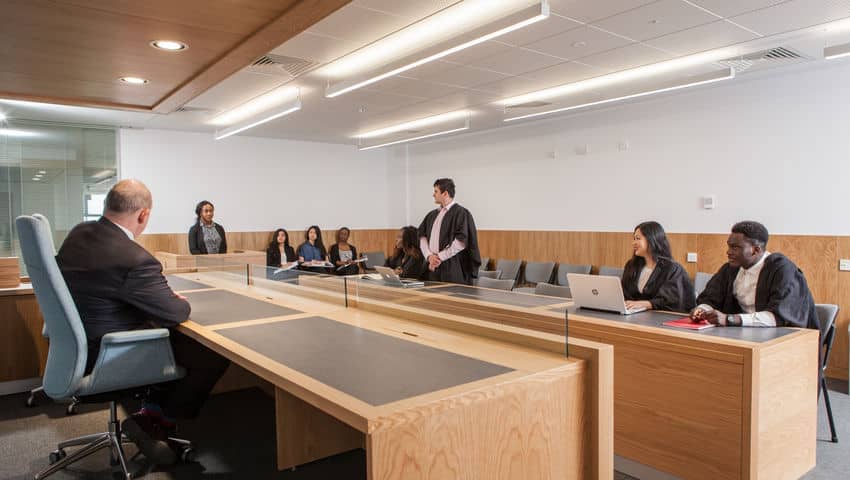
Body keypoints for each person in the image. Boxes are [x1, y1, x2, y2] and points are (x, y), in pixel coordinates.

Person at [56, 179, 229, 465]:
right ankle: (157, 421)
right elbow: (176, 312)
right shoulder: (134, 257)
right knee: (209, 353)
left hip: (77, 347)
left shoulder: (79, 233)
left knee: (173, 339)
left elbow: (104, 287)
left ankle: (150, 413)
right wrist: (170, 298)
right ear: (143, 215)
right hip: (109, 354)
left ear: (108, 205)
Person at [690, 221, 819, 330]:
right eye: (729, 246)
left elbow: (778, 317)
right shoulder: (730, 269)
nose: (728, 252)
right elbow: (710, 299)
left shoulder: (783, 270)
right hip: (744, 333)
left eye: (735, 248)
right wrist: (701, 310)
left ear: (755, 250)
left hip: (784, 339)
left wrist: (730, 319)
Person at [621, 221, 695, 312]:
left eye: (638, 238)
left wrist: (647, 304)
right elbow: (624, 293)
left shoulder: (672, 269)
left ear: (652, 239)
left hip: (661, 317)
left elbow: (674, 301)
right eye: (634, 238)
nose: (633, 243)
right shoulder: (631, 265)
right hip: (632, 314)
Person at [418, 178, 481, 285]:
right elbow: (422, 237)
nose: (433, 195)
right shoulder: (431, 215)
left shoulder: (461, 213)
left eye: (436, 191)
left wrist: (439, 257)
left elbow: (461, 242)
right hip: (432, 267)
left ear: (445, 193)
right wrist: (429, 256)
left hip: (452, 266)